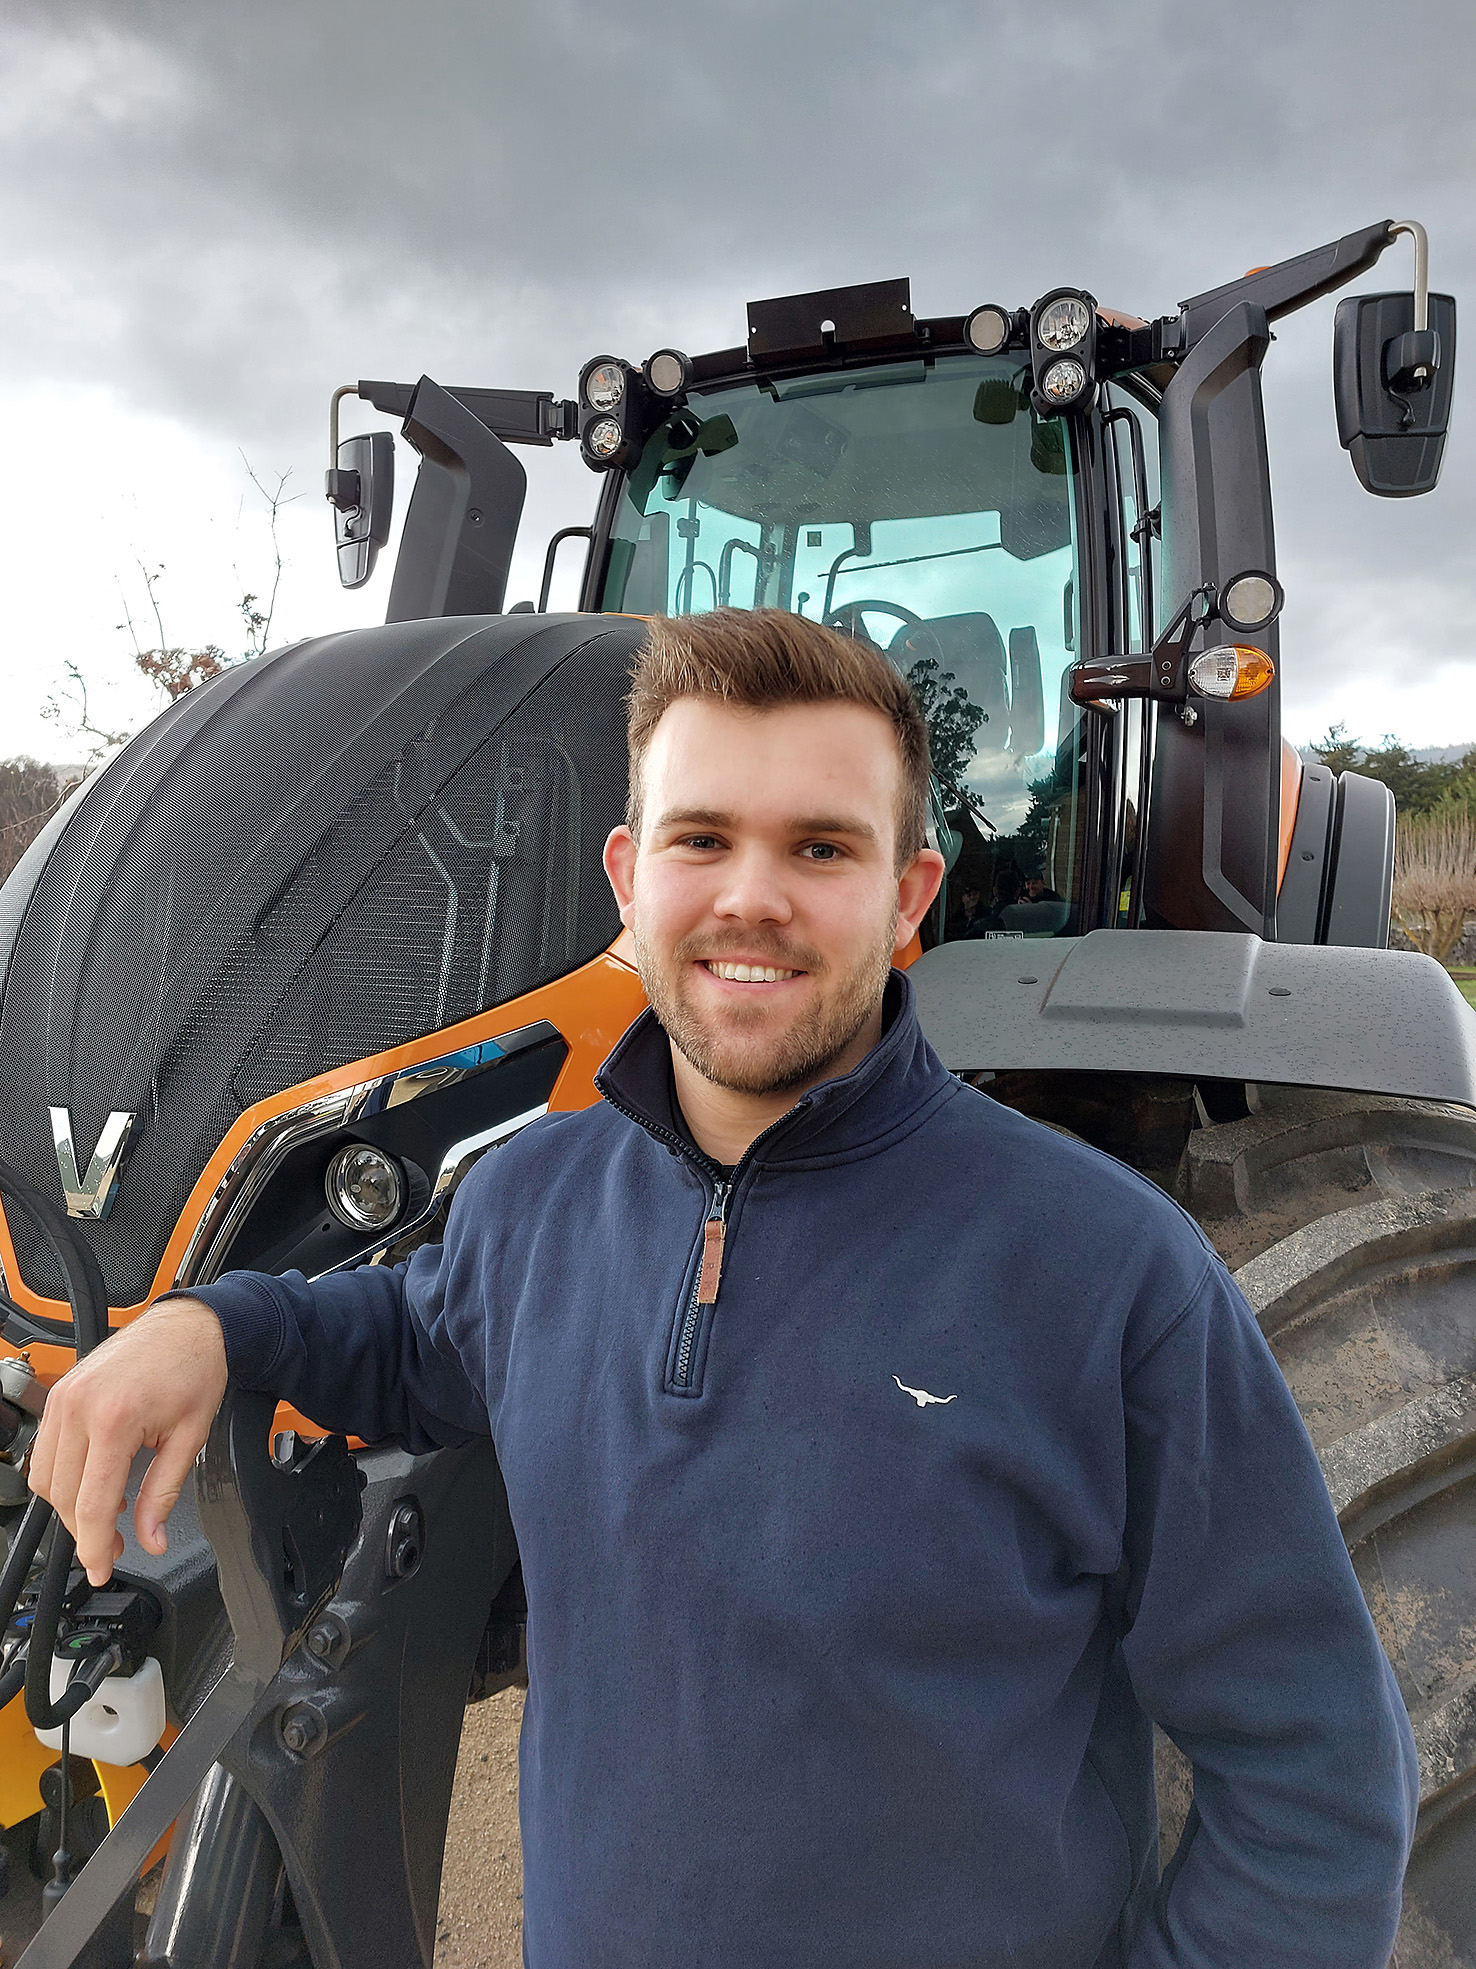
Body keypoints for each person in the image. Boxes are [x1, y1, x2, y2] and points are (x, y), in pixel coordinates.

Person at [30, 608, 1417, 1969]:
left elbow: (1315, 1774)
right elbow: (407, 1334)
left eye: (821, 846)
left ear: (909, 894)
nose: (753, 895)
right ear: (630, 881)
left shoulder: (1110, 1275)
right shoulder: (532, 1203)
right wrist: (211, 1323)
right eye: (705, 839)